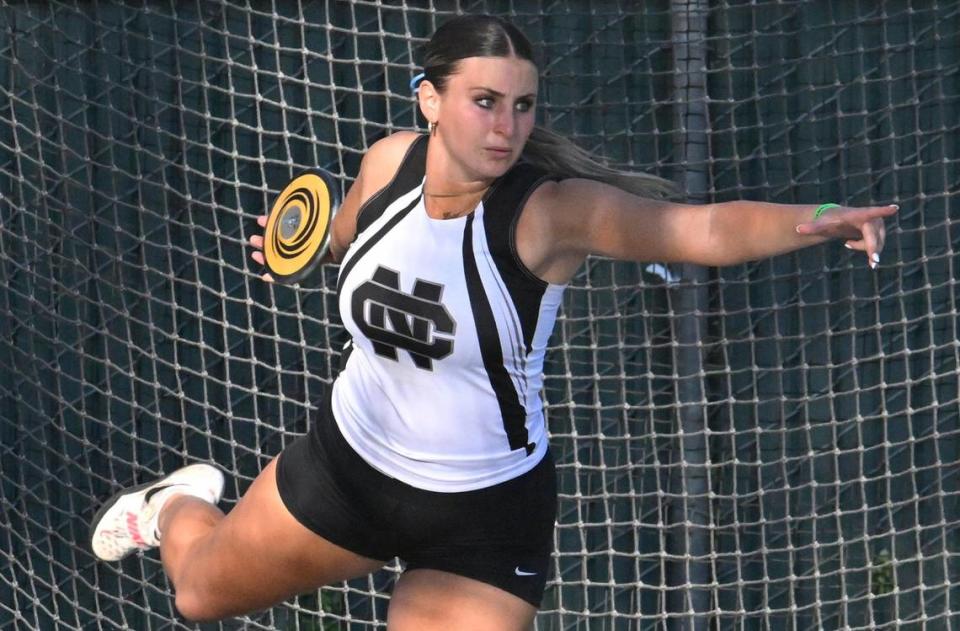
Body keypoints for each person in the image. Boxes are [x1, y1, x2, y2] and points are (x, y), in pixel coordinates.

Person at [89, 13, 897, 630]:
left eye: (521, 106)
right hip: (349, 468)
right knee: (197, 594)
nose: (506, 126)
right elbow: (342, 240)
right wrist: (295, 245)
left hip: (481, 516)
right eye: (485, 102)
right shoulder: (386, 162)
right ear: (431, 100)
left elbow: (703, 230)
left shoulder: (550, 216)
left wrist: (821, 215)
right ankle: (170, 504)